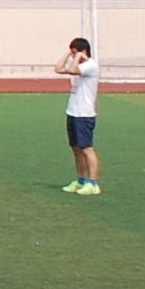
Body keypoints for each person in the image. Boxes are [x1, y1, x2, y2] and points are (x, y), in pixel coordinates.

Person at [56, 38, 102, 194]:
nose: (73, 56)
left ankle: (93, 184)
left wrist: (79, 56)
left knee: (87, 148)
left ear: (83, 52)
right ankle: (80, 180)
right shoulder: (79, 65)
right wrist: (68, 54)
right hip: (73, 112)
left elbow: (73, 70)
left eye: (75, 52)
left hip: (84, 114)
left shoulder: (90, 65)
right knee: (76, 148)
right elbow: (58, 68)